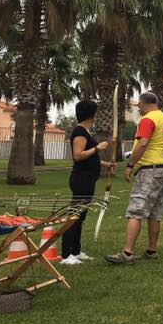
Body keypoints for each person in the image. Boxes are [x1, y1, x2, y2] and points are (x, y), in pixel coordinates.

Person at [105, 91, 163, 264]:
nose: (139, 110)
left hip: (150, 170)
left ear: (142, 104)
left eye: (139, 107)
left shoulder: (147, 119)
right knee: (155, 212)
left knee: (136, 210)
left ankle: (127, 253)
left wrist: (130, 165)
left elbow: (143, 143)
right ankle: (151, 250)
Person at [61, 99, 114, 264]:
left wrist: (104, 164)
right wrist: (98, 148)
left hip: (88, 178)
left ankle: (75, 251)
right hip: (81, 179)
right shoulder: (80, 132)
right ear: (91, 115)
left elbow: (89, 158)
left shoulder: (85, 131)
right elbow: (78, 156)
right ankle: (66, 255)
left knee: (80, 216)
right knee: (74, 216)